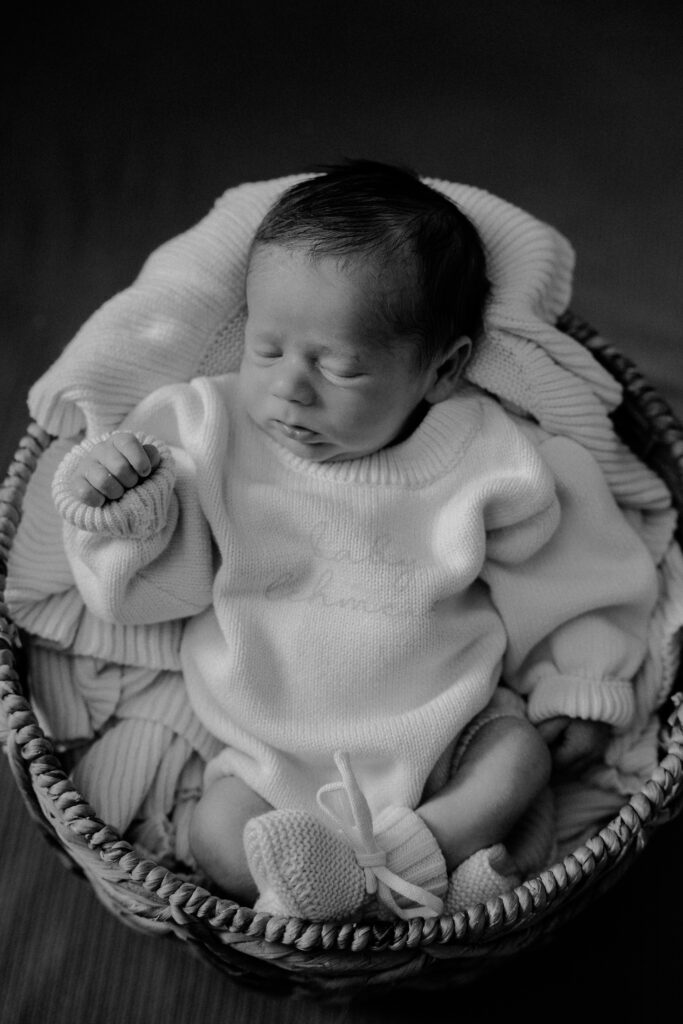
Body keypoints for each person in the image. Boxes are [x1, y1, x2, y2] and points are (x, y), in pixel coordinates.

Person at [52, 160, 658, 921]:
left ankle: (418, 862)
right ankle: (362, 892)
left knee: (518, 762)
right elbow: (146, 599)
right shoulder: (204, 429)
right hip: (271, 759)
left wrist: (577, 677)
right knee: (215, 834)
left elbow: (573, 566)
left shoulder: (484, 453)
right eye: (266, 348)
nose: (289, 389)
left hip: (451, 729)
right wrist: (122, 509)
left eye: (339, 368)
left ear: (442, 370)